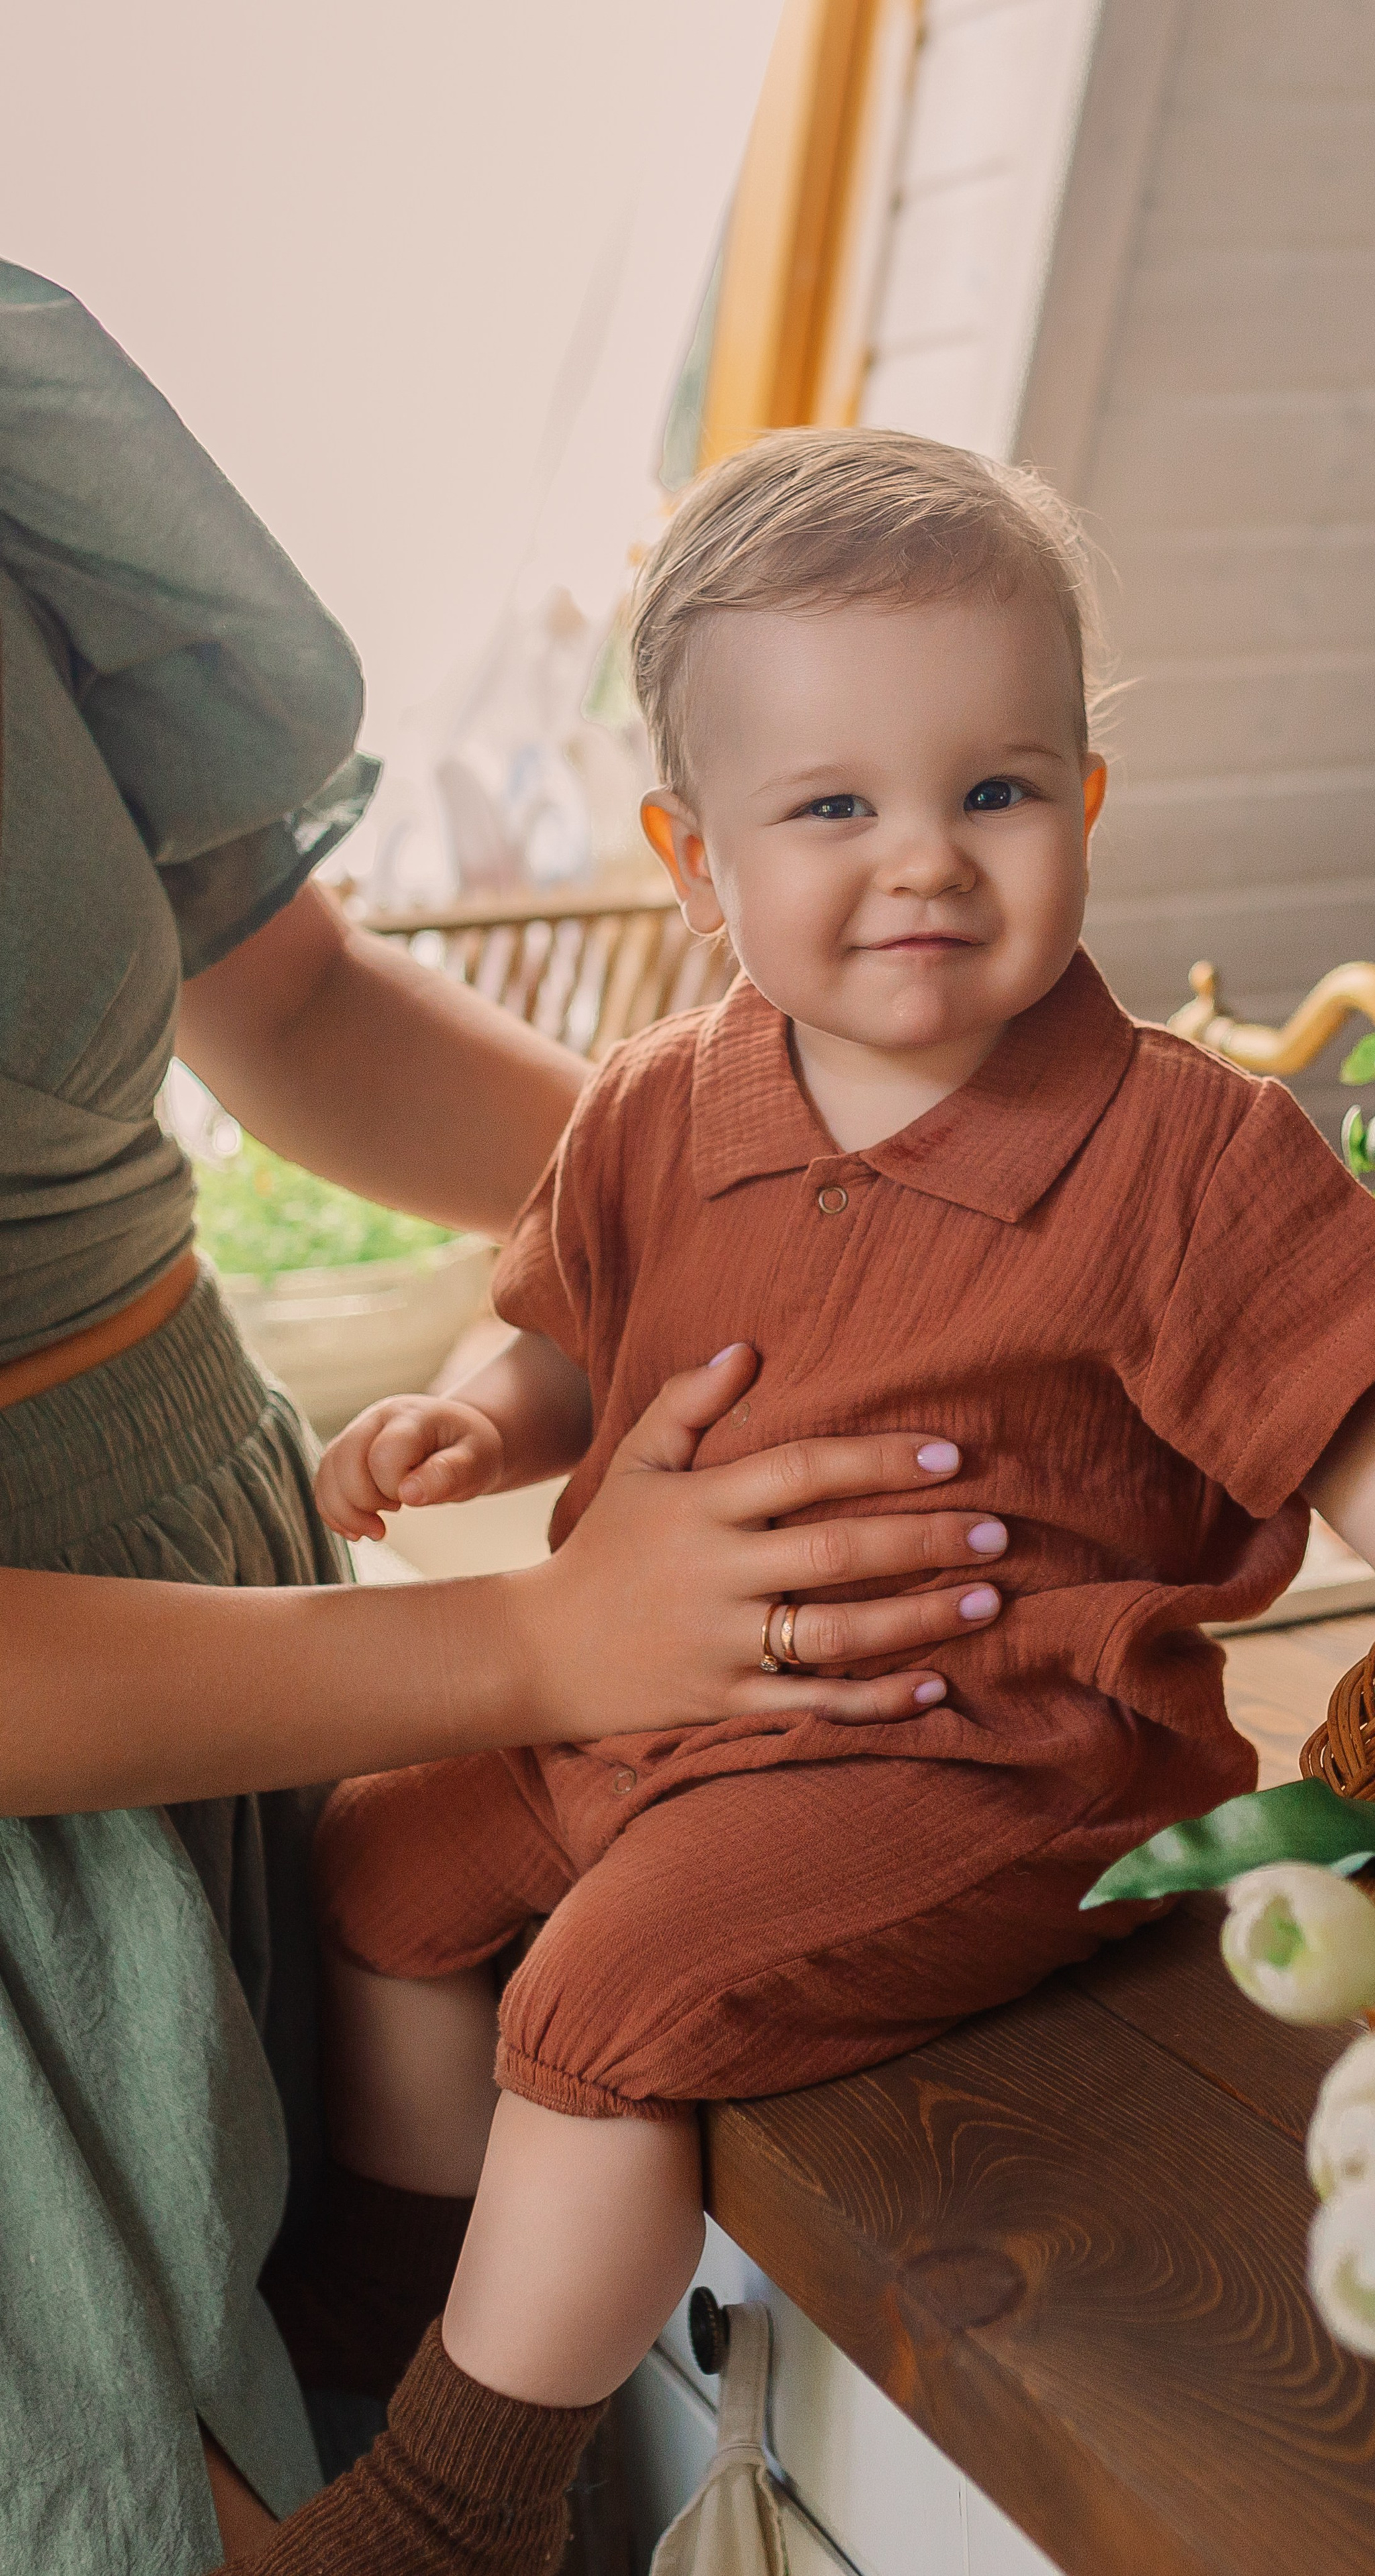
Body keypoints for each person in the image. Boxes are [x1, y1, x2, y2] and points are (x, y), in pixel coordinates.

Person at [240, 429, 1375, 2576]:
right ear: (694, 861)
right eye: (833, 810)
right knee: (375, 1869)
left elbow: (1354, 1400)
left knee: (595, 2008)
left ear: (1086, 806)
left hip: (974, 1758)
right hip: (638, 1698)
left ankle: (458, 2506)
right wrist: (473, 1419)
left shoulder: (1176, 1151)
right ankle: (412, 2316)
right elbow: (578, 1330)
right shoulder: (655, 1104)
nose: (925, 863)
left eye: (994, 792)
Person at [0, 275, 1012, 2575]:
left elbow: (297, 1008)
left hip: (243, 1624)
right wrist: (543, 1643)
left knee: (355, 2304)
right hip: (97, 1729)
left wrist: (804, 1209)